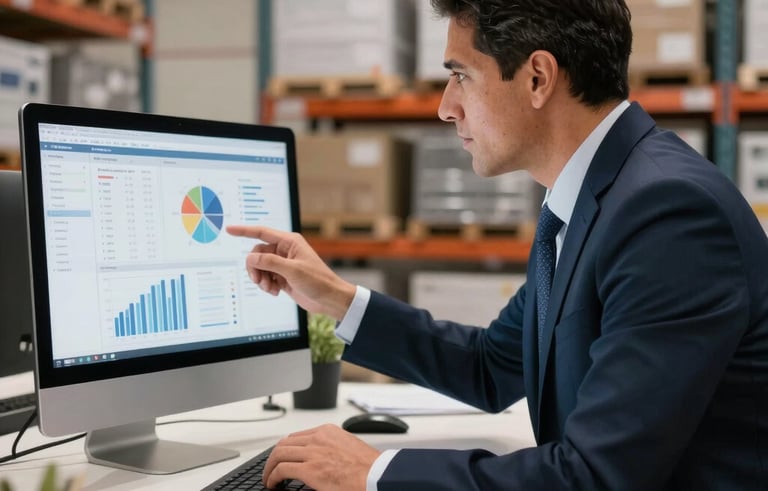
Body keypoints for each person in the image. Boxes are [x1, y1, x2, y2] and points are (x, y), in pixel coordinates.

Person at [227, 0, 768, 489]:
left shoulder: (666, 214)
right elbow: (491, 365)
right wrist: (335, 299)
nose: (445, 107)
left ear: (537, 77)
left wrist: (372, 473)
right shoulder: (591, 197)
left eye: (460, 75)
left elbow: (597, 477)